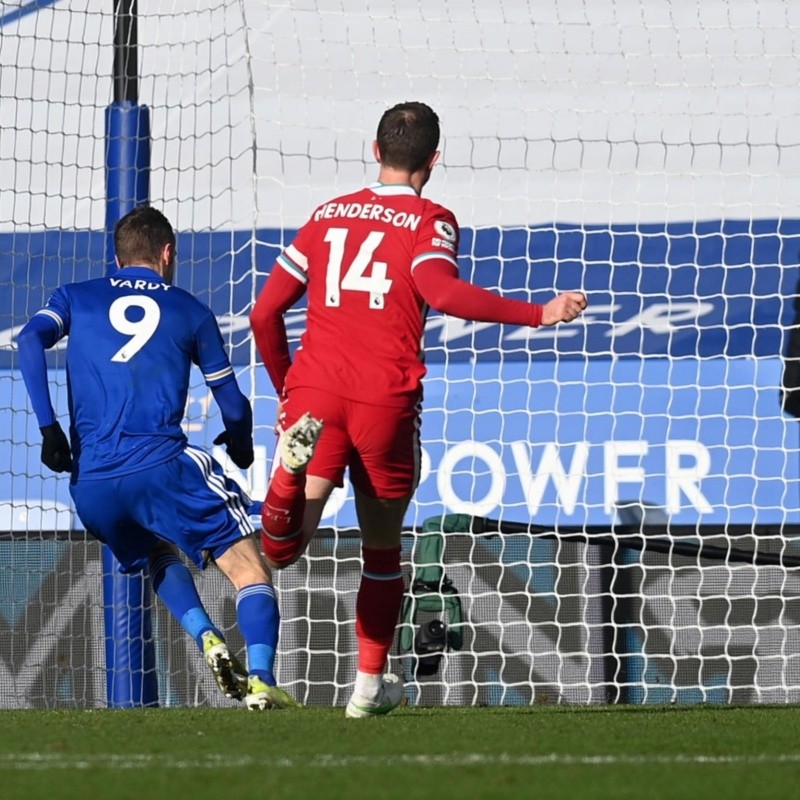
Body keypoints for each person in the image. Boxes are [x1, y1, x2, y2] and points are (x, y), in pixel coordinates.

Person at [249, 101, 587, 718]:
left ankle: (285, 476)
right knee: (382, 552)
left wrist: (287, 392)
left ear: (374, 150)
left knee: (281, 550)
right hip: (385, 401)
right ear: (434, 160)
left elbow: (263, 314)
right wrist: (540, 312)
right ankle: (367, 690)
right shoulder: (431, 219)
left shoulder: (326, 215)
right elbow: (441, 291)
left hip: (316, 397)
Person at [17, 204, 297, 711]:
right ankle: (261, 679)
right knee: (250, 568)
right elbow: (233, 404)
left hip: (93, 485)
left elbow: (29, 338)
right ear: (167, 253)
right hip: (161, 466)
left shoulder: (75, 297)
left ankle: (207, 636)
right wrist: (237, 440)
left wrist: (49, 428)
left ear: (117, 258)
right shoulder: (189, 309)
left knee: (155, 552)